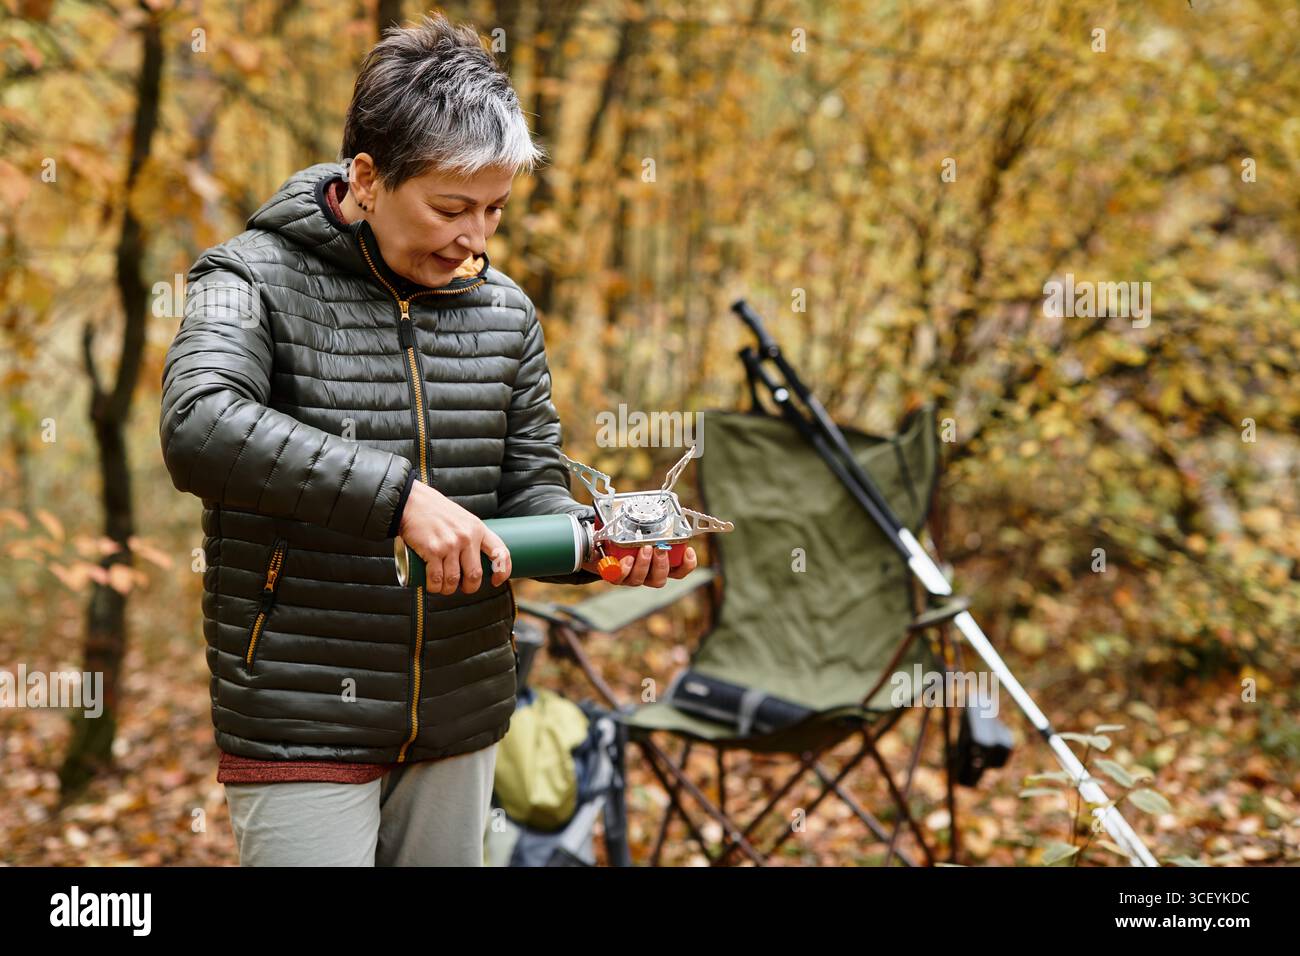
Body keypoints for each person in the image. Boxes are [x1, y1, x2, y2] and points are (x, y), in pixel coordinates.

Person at [159, 12, 695, 866]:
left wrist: (594, 549)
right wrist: (398, 498)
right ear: (367, 177)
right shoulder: (245, 278)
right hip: (302, 716)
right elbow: (198, 425)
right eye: (452, 207)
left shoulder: (507, 314)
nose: (475, 237)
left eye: (494, 210)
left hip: (459, 710)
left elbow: (529, 497)